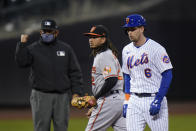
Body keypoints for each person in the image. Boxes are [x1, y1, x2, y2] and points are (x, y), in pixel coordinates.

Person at [15, 19, 84, 131]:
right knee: (41, 128)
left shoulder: (65, 49)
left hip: (62, 96)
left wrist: (76, 92)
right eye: (44, 31)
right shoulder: (33, 48)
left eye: (49, 31)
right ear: (40, 32)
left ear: (56, 32)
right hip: (41, 96)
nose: (47, 34)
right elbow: (22, 62)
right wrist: (22, 44)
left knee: (62, 128)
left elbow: (74, 72)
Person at [122, 14, 173, 131]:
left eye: (133, 29)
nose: (130, 32)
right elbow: (127, 75)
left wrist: (159, 99)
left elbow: (167, 74)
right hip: (134, 101)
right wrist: (126, 99)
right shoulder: (126, 50)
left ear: (142, 28)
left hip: (153, 98)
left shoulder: (156, 48)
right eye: (128, 30)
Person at [83, 25, 127, 131]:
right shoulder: (106, 54)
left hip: (109, 101)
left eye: (94, 37)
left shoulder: (104, 55)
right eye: (90, 37)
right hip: (119, 100)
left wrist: (95, 97)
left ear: (103, 39)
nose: (91, 40)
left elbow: (111, 79)